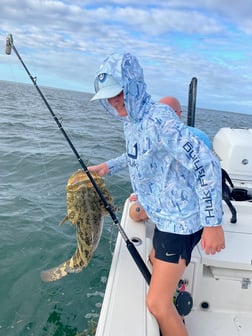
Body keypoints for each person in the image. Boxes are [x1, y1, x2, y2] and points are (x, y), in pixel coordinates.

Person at [89, 52, 225, 336]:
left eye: (119, 92)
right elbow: (136, 154)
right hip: (162, 213)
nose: (114, 100)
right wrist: (107, 168)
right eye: (108, 95)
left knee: (156, 304)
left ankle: (172, 315)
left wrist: (213, 223)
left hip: (179, 222)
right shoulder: (133, 121)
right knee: (141, 226)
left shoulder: (158, 120)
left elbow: (206, 163)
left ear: (134, 84)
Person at [129, 96, 213, 222]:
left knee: (136, 213)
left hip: (184, 203)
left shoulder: (197, 137)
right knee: (134, 212)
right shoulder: (153, 136)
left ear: (178, 114)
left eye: (166, 111)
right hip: (169, 198)